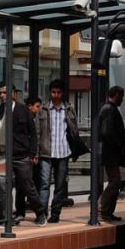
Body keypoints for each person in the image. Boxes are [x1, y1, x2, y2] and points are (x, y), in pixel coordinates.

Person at [0, 83, 46, 226]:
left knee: (27, 186)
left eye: (5, 92)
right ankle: (8, 218)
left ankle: (40, 212)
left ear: (13, 93)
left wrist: (32, 153)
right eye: (0, 93)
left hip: (22, 155)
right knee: (5, 187)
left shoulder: (24, 111)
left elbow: (33, 133)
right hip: (3, 156)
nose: (2, 95)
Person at [36, 79, 80, 223]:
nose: (56, 95)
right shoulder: (43, 109)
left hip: (63, 152)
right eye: (53, 92)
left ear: (62, 93)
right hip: (46, 152)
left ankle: (55, 214)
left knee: (60, 186)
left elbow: (74, 131)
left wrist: (75, 150)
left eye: (58, 92)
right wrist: (36, 152)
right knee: (44, 184)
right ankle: (42, 213)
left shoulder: (68, 109)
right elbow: (37, 132)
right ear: (50, 92)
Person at [97, 85, 125, 222]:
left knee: (115, 181)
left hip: (112, 153)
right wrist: (119, 142)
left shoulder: (110, 109)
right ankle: (103, 207)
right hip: (111, 153)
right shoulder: (109, 110)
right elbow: (107, 132)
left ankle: (108, 211)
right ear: (116, 95)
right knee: (115, 181)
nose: (122, 99)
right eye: (121, 96)